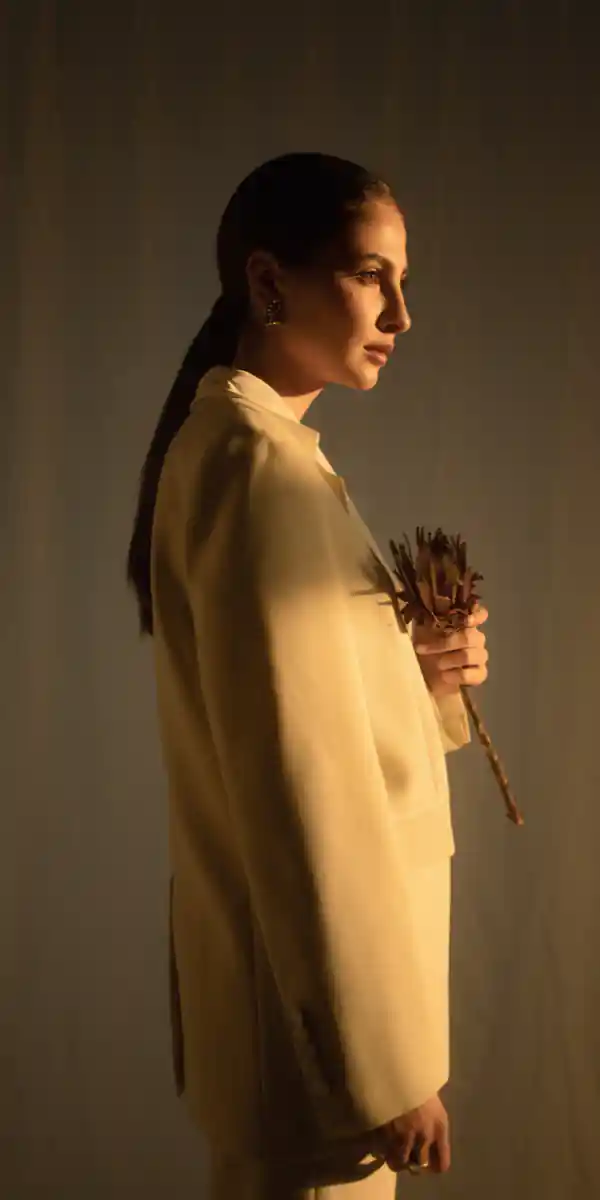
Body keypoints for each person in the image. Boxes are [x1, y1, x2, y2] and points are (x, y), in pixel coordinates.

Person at [126, 152, 488, 1199]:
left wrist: (426, 683)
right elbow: (301, 800)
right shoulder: (255, 470)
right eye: (372, 275)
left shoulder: (268, 456)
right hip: (318, 1067)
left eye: (403, 281)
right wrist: (379, 1066)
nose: (400, 314)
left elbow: (328, 739)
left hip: (299, 1046)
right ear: (270, 283)